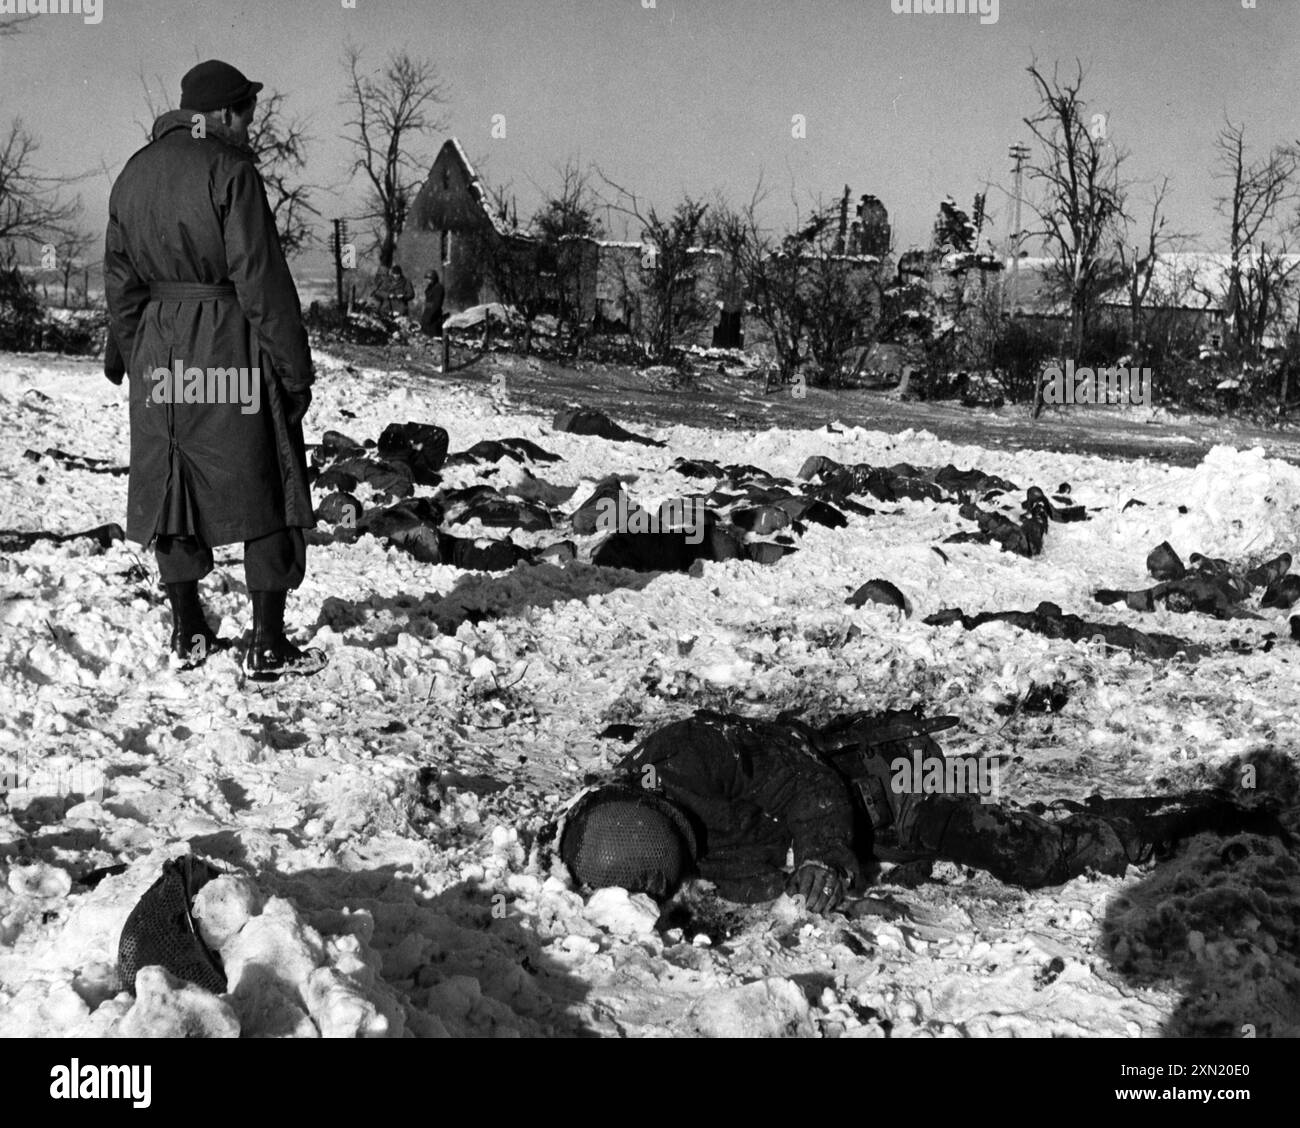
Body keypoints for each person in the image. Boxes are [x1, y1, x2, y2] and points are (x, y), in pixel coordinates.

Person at [556, 709, 1289, 914]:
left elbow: (808, 787)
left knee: (1037, 858)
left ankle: (1203, 817)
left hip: (897, 792)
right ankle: (1107, 813)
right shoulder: (612, 814)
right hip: (879, 820)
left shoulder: (697, 754)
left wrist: (820, 855)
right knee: (1037, 824)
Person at [104, 59, 325, 680]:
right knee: (267, 476)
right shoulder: (231, 170)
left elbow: (120, 288)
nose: (251, 124)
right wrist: (293, 371)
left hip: (159, 352)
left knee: (174, 483)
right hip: (229, 342)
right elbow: (262, 282)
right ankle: (269, 640)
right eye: (247, 111)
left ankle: (189, 628)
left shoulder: (132, 174)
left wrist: (135, 355)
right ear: (224, 112)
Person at [420, 269, 445, 337]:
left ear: (433, 278)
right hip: (427, 312)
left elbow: (437, 304)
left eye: (429, 279)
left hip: (434, 315)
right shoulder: (430, 287)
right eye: (427, 279)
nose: (427, 281)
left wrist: (430, 316)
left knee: (433, 335)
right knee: (425, 333)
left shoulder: (438, 287)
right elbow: (427, 301)